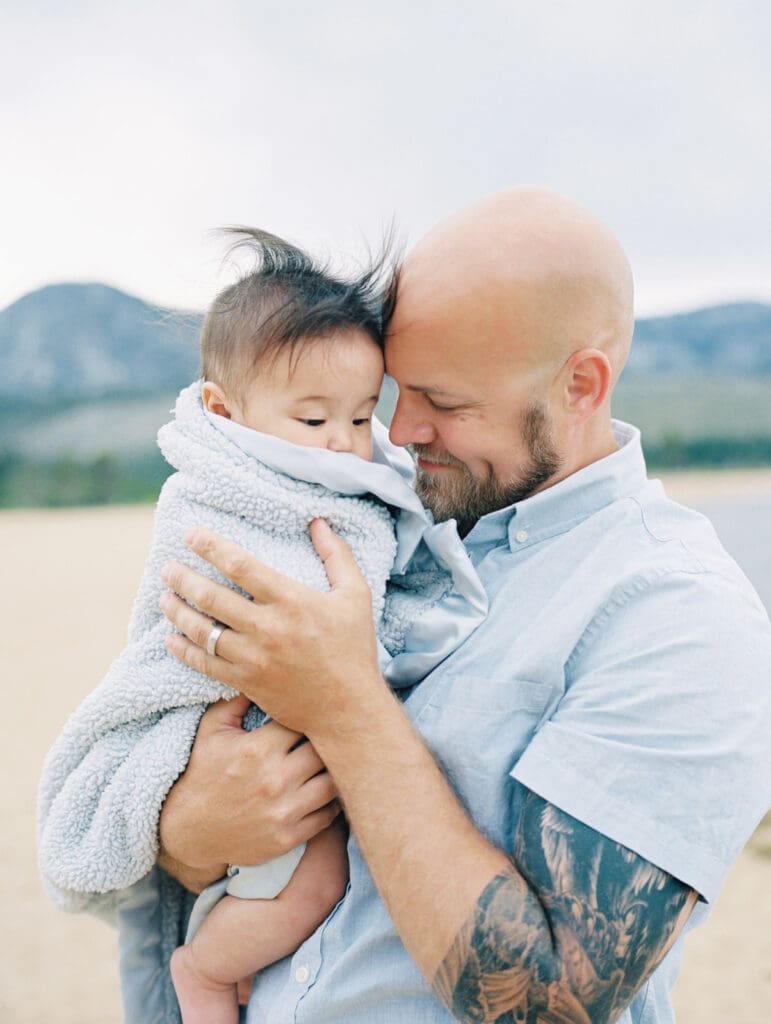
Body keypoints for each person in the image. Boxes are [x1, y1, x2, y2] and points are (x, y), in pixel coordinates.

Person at [156, 188, 771, 1024]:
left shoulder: (679, 617)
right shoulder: (377, 521)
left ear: (581, 385)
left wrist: (344, 708)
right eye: (397, 391)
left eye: (445, 402)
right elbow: (204, 829)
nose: (399, 429)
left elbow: (548, 1004)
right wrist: (191, 828)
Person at [37, 231, 487, 1024]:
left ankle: (222, 937)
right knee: (313, 882)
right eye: (314, 418)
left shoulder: (362, 469)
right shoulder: (218, 487)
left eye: (358, 415)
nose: (344, 442)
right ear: (224, 410)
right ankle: (207, 969)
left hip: (304, 741)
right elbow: (202, 600)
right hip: (242, 717)